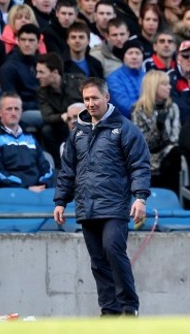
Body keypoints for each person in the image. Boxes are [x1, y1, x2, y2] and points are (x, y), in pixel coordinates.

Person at [53, 77, 150, 317]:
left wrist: (140, 197)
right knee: (97, 261)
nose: (90, 103)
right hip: (86, 207)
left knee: (113, 250)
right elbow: (68, 170)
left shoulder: (125, 128)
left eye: (95, 97)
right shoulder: (77, 133)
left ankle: (129, 307)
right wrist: (60, 201)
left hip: (115, 206)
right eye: (86, 99)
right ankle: (109, 311)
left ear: (107, 97)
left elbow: (140, 165)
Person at [0, 92, 54, 192]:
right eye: (9, 109)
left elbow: (45, 166)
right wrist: (25, 188)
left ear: (21, 111)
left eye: (17, 109)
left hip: (39, 190)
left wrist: (43, 184)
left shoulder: (30, 136)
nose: (13, 113)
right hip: (9, 193)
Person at [132, 70, 181, 194]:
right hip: (147, 155)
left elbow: (174, 137)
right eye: (164, 84)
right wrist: (157, 128)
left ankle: (172, 198)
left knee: (175, 153)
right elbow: (143, 143)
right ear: (153, 87)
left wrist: (164, 134)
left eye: (169, 84)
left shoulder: (172, 107)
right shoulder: (139, 111)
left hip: (169, 153)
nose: (169, 87)